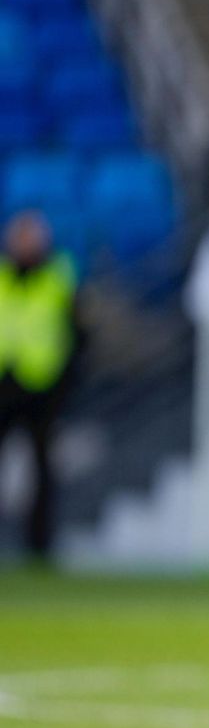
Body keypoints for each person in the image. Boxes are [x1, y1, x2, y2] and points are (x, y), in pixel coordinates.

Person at [0, 210, 81, 563]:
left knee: (43, 473)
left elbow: (77, 335)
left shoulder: (59, 278)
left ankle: (39, 547)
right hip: (3, 385)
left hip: (44, 388)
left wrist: (66, 383)